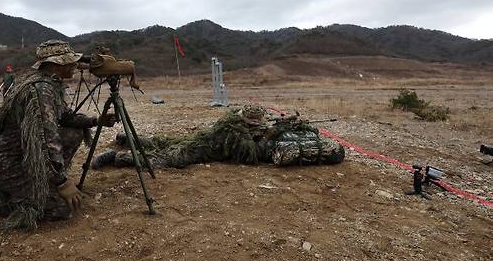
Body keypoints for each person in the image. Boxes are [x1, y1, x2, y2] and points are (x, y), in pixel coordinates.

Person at [0, 40, 115, 231]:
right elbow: (45, 138)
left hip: (22, 156)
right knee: (63, 208)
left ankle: (42, 183)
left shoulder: (47, 83)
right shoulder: (40, 89)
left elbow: (65, 117)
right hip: (7, 165)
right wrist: (62, 183)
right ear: (56, 65)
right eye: (70, 62)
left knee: (74, 132)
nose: (74, 66)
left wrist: (96, 121)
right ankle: (3, 201)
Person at [92, 104, 345, 170]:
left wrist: (276, 125)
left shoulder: (232, 119)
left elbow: (256, 127)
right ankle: (119, 157)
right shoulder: (236, 134)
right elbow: (250, 155)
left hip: (204, 137)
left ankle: (128, 139)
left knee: (166, 141)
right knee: (169, 158)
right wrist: (269, 134)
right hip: (204, 150)